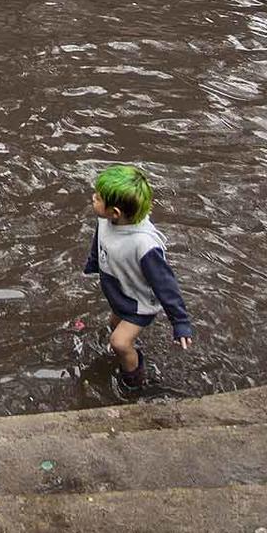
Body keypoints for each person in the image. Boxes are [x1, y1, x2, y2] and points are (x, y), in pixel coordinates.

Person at [82, 164, 194, 392]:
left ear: (115, 212)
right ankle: (130, 353)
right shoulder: (106, 220)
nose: (93, 197)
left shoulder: (144, 246)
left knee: (119, 342)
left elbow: (165, 284)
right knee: (114, 326)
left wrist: (180, 322)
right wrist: (94, 262)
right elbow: (100, 240)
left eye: (98, 197)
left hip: (138, 303)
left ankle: (133, 380)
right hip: (119, 292)